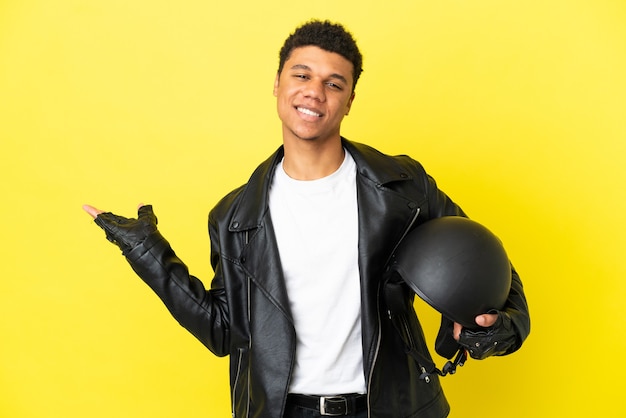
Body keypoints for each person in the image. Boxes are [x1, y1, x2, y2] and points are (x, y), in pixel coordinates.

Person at [83, 20, 530, 418]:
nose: (315, 92)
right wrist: (146, 252)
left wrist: (495, 329)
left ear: (350, 100)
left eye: (334, 84)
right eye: (302, 75)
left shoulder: (402, 186)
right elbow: (225, 332)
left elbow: (490, 268)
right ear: (277, 84)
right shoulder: (234, 217)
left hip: (393, 406)